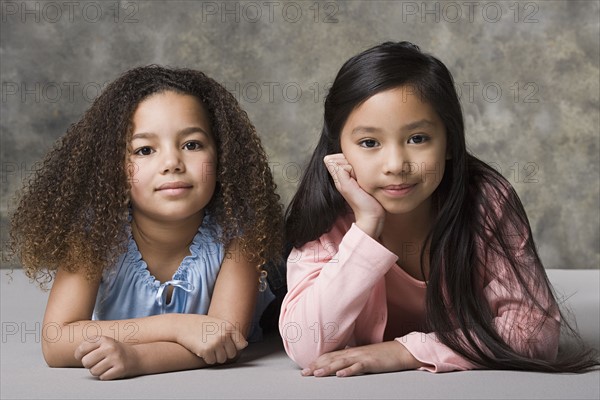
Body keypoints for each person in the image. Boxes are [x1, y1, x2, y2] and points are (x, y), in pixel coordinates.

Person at [279, 41, 598, 376]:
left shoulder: (486, 201)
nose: (396, 164)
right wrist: (366, 227)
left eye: (417, 138)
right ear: (338, 150)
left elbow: (535, 331)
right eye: (369, 143)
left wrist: (406, 352)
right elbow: (305, 345)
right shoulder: (326, 213)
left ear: (449, 141)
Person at [9, 65, 283, 380]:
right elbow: (56, 341)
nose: (171, 163)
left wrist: (140, 358)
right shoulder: (95, 233)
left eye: (191, 144)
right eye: (145, 150)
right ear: (113, 167)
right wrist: (177, 326)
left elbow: (223, 339)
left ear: (222, 155)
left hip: (277, 281)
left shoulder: (240, 228)